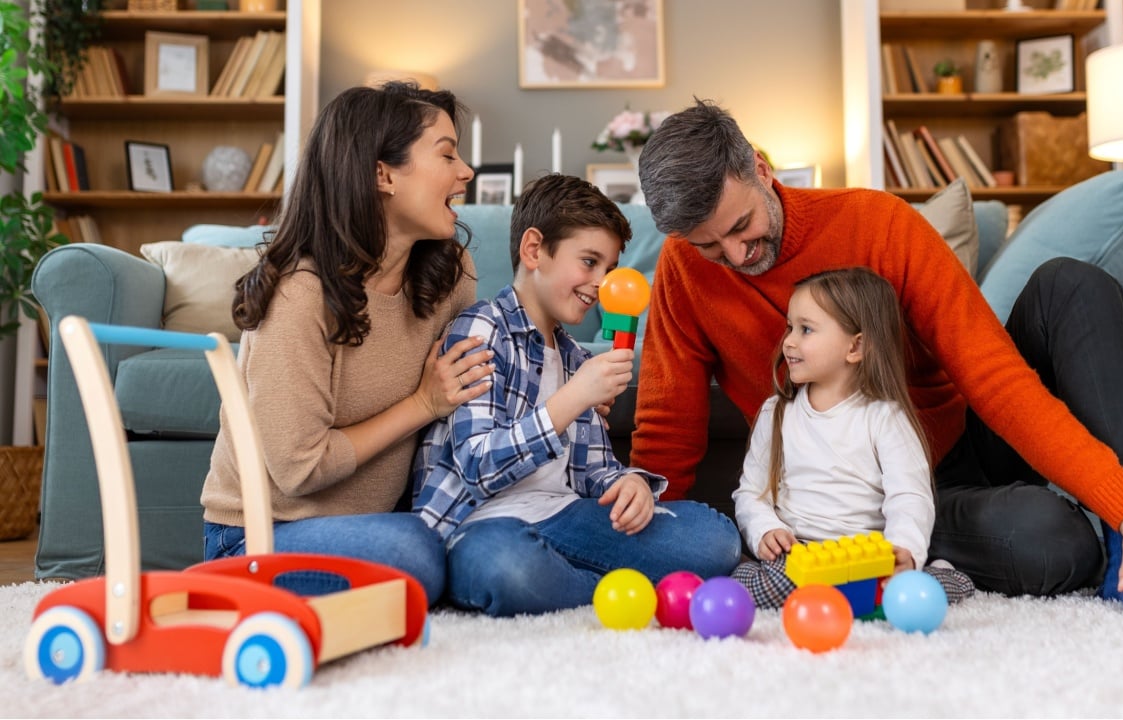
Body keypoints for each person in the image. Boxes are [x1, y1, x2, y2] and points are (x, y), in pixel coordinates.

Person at [631, 98, 1123, 613]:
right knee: (1052, 544)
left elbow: (994, 375)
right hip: (865, 509)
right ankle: (1100, 531)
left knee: (1071, 284)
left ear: (760, 169)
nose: (735, 255)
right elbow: (668, 428)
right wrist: (656, 545)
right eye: (709, 246)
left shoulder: (878, 223)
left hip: (960, 444)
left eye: (741, 226)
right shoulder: (684, 274)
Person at [200, 82, 495, 606]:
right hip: (257, 537)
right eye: (447, 154)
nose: (466, 171)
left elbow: (478, 383)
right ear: (383, 174)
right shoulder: (300, 294)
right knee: (418, 553)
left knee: (480, 544)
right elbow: (299, 468)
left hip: (380, 525)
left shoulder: (450, 273)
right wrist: (421, 404)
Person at [411, 173, 741, 617]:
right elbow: (476, 465)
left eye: (608, 269)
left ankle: (573, 583)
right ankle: (614, 586)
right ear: (534, 250)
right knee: (505, 569)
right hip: (485, 523)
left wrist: (629, 484)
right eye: (589, 262)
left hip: (564, 518)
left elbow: (593, 472)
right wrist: (573, 397)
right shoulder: (483, 329)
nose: (601, 283)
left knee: (716, 540)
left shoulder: (575, 356)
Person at [731, 267, 974, 608]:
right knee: (756, 585)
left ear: (855, 346)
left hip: (863, 559)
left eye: (806, 329)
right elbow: (751, 493)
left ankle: (942, 574)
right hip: (798, 556)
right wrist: (764, 531)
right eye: (790, 327)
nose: (788, 341)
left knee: (904, 597)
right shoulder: (777, 412)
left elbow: (910, 497)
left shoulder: (884, 417)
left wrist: (904, 551)